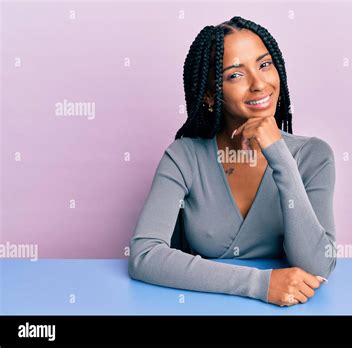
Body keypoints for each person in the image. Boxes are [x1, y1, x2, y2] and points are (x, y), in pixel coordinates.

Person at [128, 16, 337, 307]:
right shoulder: (184, 157)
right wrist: (259, 284)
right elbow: (145, 255)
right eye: (236, 75)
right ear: (212, 96)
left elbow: (317, 266)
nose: (259, 84)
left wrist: (279, 154)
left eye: (264, 65)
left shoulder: (314, 156)